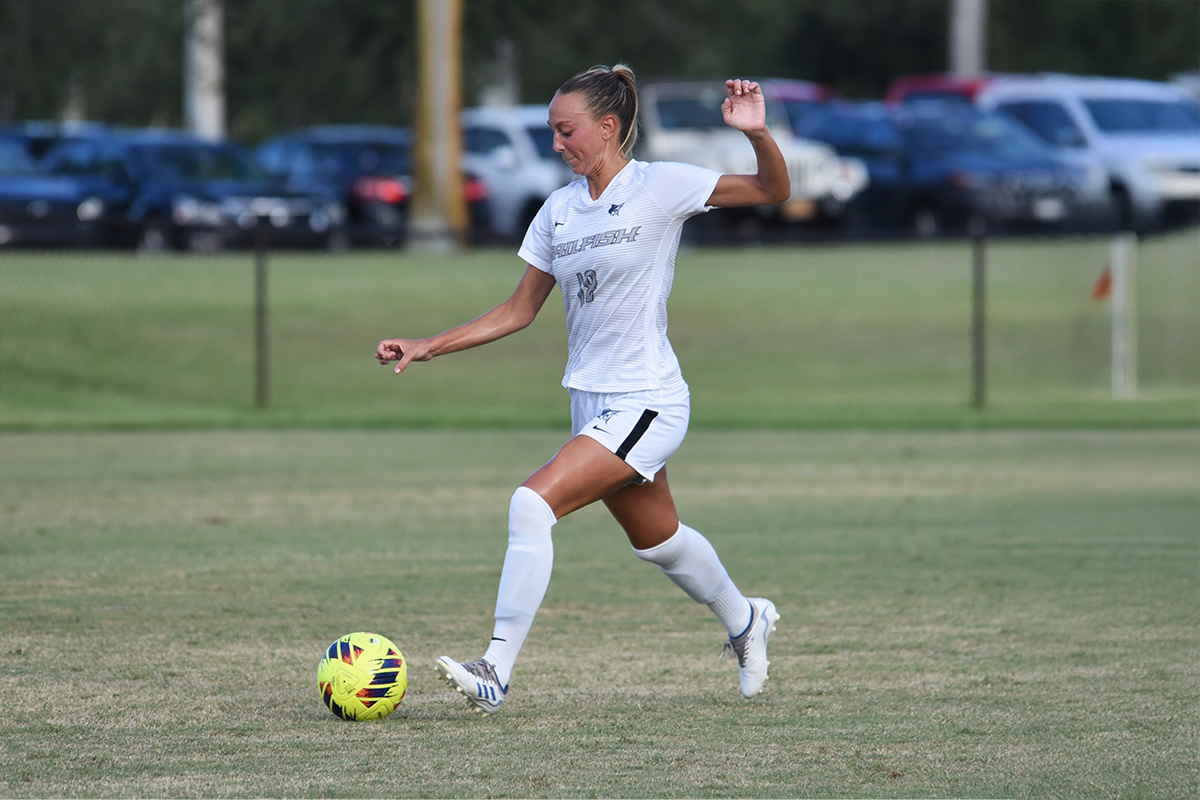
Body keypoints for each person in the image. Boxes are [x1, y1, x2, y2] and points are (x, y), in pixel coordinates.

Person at [375, 65, 790, 716]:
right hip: (592, 403)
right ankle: (746, 621)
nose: (556, 143)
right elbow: (517, 311)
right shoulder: (558, 210)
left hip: (647, 399)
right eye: (551, 132)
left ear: (608, 127)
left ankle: (496, 668)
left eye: (564, 131)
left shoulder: (660, 185)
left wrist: (759, 133)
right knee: (660, 541)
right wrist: (429, 344)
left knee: (530, 505)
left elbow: (771, 190)